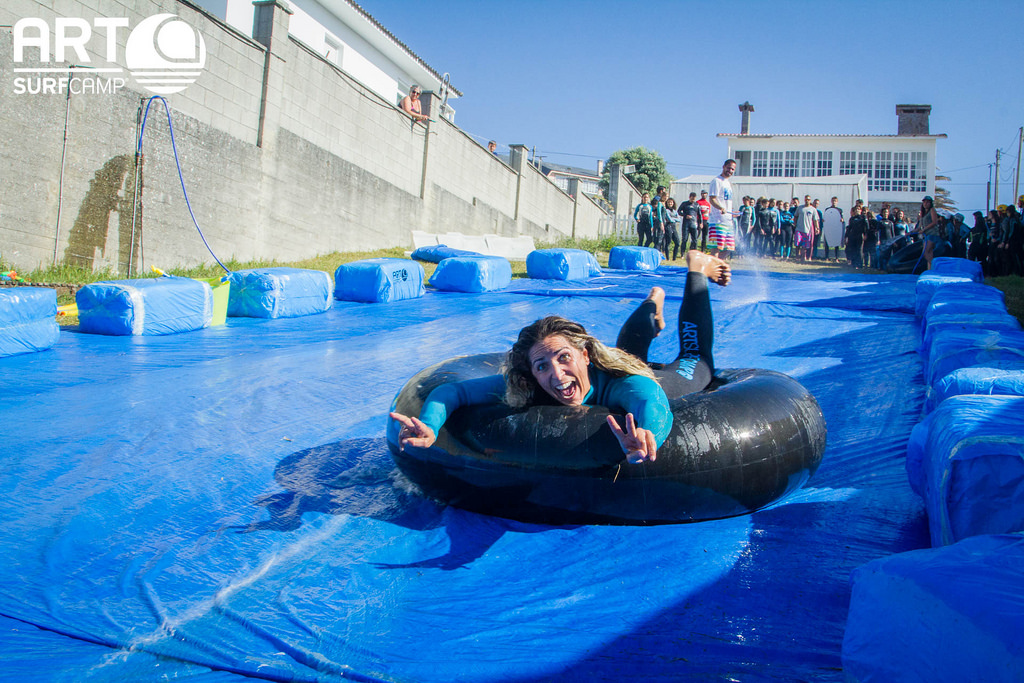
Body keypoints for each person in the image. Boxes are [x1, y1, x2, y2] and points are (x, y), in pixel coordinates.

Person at [390, 250, 733, 464]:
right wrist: (431, 424)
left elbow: (650, 400)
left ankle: (697, 269)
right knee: (629, 350)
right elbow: (454, 391)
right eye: (542, 366)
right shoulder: (527, 384)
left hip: (656, 380)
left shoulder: (620, 383)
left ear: (585, 356)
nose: (556, 374)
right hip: (603, 363)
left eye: (564, 357)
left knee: (698, 363)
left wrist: (648, 434)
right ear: (532, 373)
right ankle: (651, 305)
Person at [707, 159, 737, 259]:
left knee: (729, 248)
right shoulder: (716, 181)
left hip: (728, 221)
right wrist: (721, 207)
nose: (730, 171)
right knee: (717, 247)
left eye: (732, 169)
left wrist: (731, 212)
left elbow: (726, 201)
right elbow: (712, 199)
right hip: (717, 221)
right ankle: (712, 265)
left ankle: (716, 264)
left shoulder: (728, 183)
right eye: (729, 168)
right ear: (723, 167)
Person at [912, 196, 941, 270]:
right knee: (929, 253)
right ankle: (930, 269)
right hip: (926, 235)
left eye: (928, 202)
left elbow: (934, 222)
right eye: (924, 202)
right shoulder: (922, 213)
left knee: (926, 252)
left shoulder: (932, 210)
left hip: (932, 234)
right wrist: (911, 232)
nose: (926, 204)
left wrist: (924, 229)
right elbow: (919, 227)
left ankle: (935, 267)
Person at [793, 195, 819, 262]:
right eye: (806, 199)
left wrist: (817, 228)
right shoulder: (800, 208)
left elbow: (815, 220)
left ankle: (803, 256)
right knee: (797, 244)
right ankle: (797, 256)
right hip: (799, 229)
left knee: (805, 246)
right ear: (804, 200)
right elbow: (795, 216)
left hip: (807, 230)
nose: (807, 201)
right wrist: (795, 223)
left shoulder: (813, 209)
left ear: (810, 200)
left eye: (808, 199)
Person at [822, 197, 845, 262]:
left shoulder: (840, 210)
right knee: (827, 243)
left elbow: (842, 219)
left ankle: (836, 257)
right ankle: (827, 257)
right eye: (833, 201)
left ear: (837, 202)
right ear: (831, 201)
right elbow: (825, 218)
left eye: (835, 201)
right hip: (829, 229)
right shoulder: (827, 209)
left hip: (836, 229)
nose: (834, 202)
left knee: (836, 243)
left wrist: (842, 220)